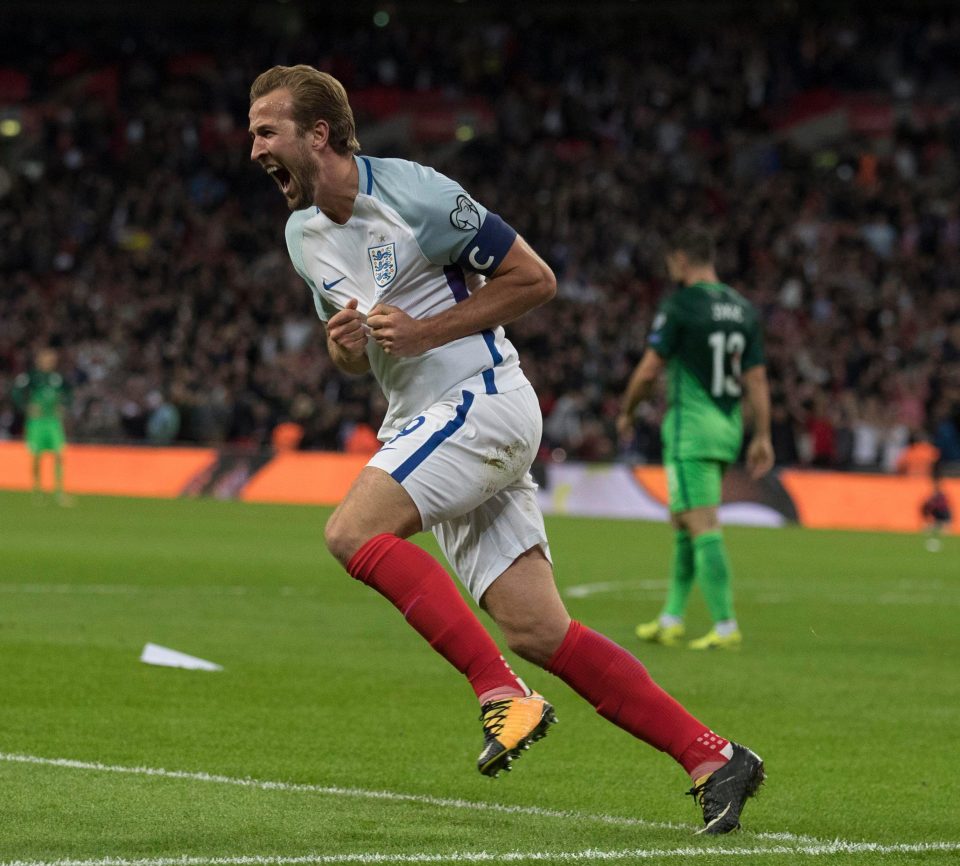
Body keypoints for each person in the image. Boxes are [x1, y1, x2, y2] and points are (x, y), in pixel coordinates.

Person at [248, 65, 765, 834]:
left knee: (351, 532)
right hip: (424, 421)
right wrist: (346, 347)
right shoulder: (302, 235)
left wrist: (423, 332)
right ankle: (713, 757)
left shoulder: (415, 193)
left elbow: (535, 278)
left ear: (316, 134)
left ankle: (502, 693)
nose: (253, 148)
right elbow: (358, 358)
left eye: (266, 131)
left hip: (483, 400)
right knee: (537, 630)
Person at [618, 228, 773, 650]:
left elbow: (650, 371)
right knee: (685, 523)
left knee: (701, 524)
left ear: (682, 259)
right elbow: (756, 377)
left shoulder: (681, 305)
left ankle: (726, 626)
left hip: (691, 428)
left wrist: (627, 411)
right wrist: (762, 434)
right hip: (728, 425)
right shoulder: (743, 309)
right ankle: (671, 618)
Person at [11, 348, 72, 505]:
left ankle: (59, 491)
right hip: (37, 422)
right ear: (39, 360)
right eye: (46, 358)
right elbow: (16, 392)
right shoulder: (30, 377)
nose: (49, 362)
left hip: (53, 421)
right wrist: (26, 407)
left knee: (59, 454)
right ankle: (37, 490)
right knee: (37, 456)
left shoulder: (57, 378)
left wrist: (64, 406)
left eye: (51, 359)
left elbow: (69, 393)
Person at [921, 465, 952, 553]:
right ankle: (935, 528)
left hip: (943, 516)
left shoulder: (941, 497)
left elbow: (944, 508)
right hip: (938, 516)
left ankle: (937, 528)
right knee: (931, 528)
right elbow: (926, 508)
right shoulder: (933, 498)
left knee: (944, 530)